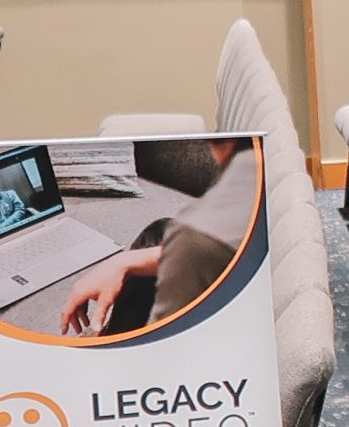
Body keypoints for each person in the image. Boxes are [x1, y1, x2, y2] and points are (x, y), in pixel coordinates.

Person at [57, 137, 259, 336]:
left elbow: (164, 353)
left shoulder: (197, 237)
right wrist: (122, 262)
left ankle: (112, 339)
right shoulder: (267, 170)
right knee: (160, 230)